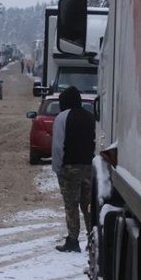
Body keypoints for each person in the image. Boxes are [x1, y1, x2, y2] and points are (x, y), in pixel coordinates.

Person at [51, 86, 96, 252]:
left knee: (71, 204)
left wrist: (57, 167)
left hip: (69, 168)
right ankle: (94, 238)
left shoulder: (62, 118)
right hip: (89, 167)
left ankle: (73, 240)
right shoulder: (91, 118)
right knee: (88, 205)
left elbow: (58, 146)